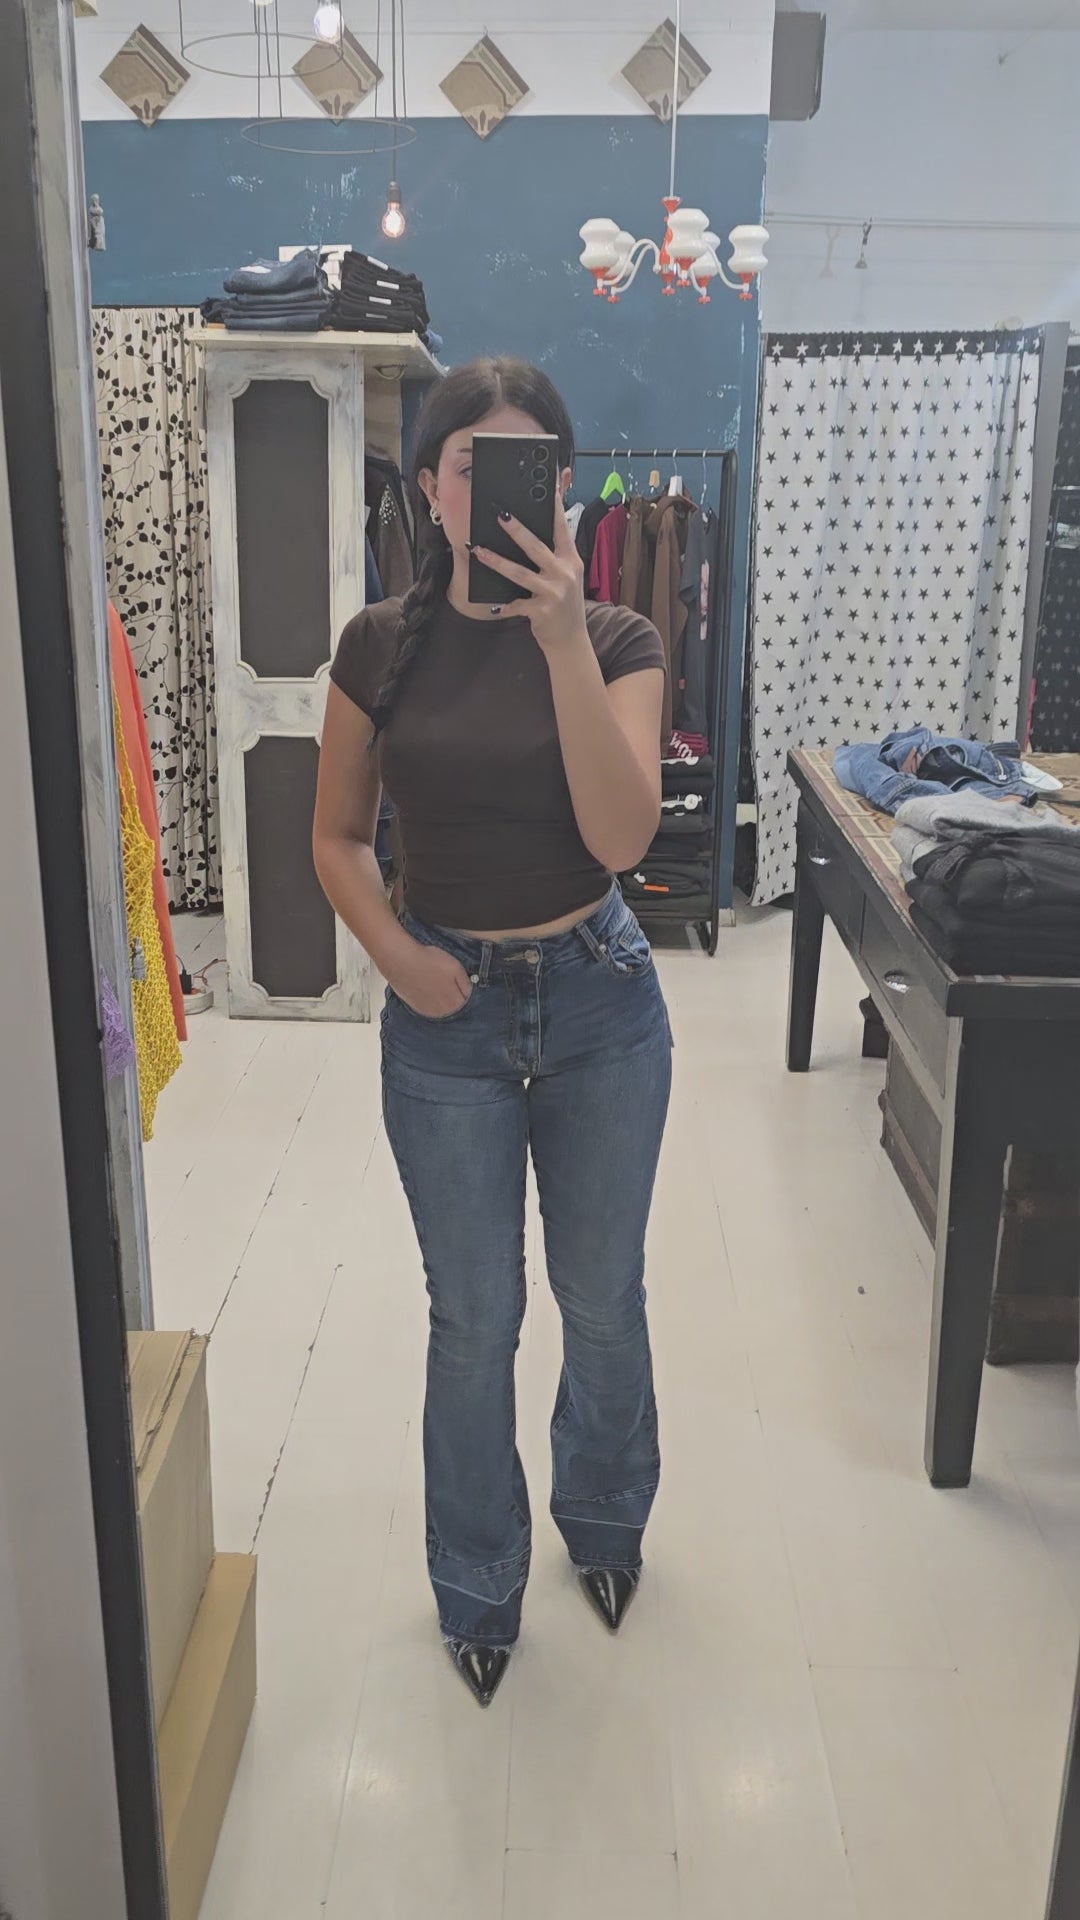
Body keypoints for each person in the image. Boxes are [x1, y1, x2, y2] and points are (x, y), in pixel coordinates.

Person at [313, 358, 672, 1709]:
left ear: (564, 489)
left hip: (598, 999)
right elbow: (336, 836)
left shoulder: (619, 638)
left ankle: (607, 1519)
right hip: (445, 1017)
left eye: (533, 467)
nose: (502, 489)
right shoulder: (378, 644)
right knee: (473, 1320)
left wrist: (564, 639)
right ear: (430, 488)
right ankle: (476, 1581)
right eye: (473, 464)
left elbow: (623, 837)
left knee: (603, 1295)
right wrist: (401, 961)